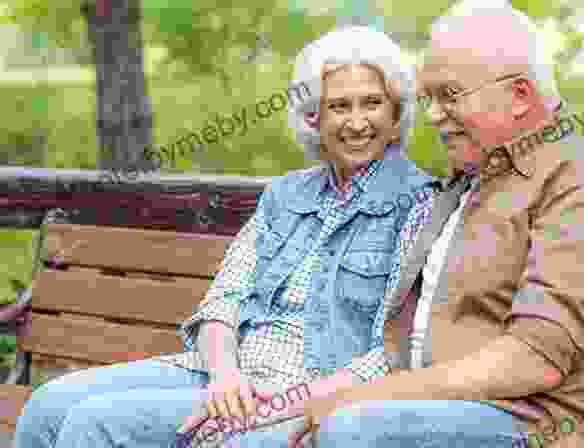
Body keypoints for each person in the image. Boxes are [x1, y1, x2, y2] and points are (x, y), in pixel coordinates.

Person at [11, 25, 435, 448]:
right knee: (47, 406)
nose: (357, 122)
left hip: (308, 389)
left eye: (373, 104)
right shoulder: (285, 195)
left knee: (95, 423)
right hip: (224, 372)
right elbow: (225, 299)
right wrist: (225, 376)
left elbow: (392, 355)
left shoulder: (419, 205)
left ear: (396, 115)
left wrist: (272, 407)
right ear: (314, 117)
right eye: (339, 106)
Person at [287, 4, 584, 448]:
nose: (435, 115)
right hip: (437, 407)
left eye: (450, 95)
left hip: (539, 423)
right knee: (247, 435)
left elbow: (534, 360)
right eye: (429, 99)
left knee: (351, 429)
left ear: (519, 96)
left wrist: (365, 396)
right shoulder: (468, 181)